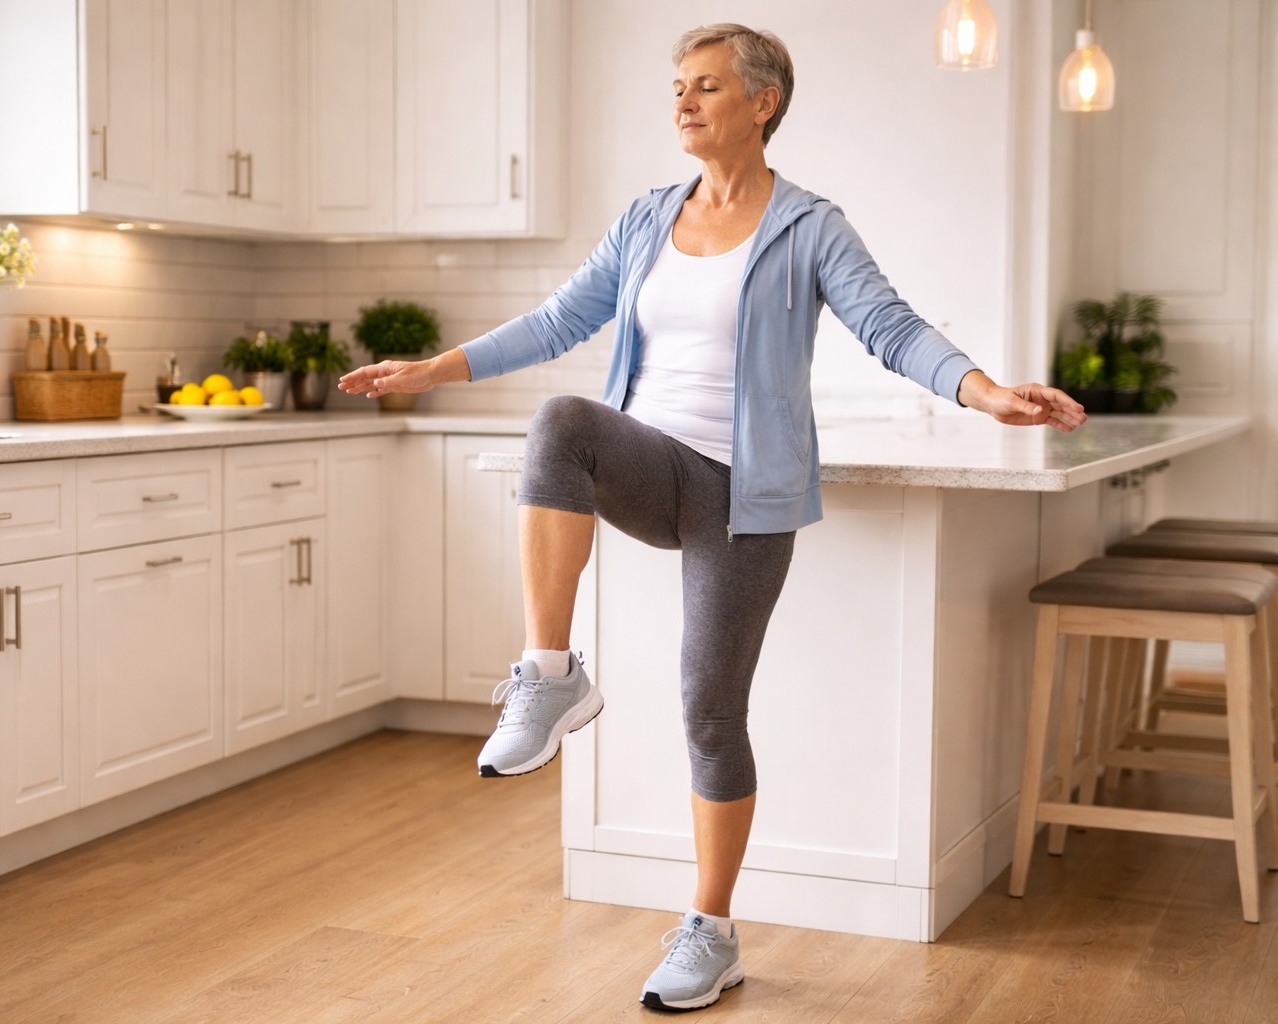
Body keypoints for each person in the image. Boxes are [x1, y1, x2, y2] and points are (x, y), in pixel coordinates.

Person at [340, 22, 1086, 1013]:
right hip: (654, 464)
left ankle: (710, 928)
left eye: (706, 87)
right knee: (563, 420)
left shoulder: (811, 225)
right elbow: (562, 318)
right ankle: (550, 676)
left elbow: (889, 325)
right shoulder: (649, 218)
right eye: (677, 88)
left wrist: (984, 392)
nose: (684, 103)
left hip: (746, 495)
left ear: (762, 102)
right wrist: (437, 367)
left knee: (708, 707)